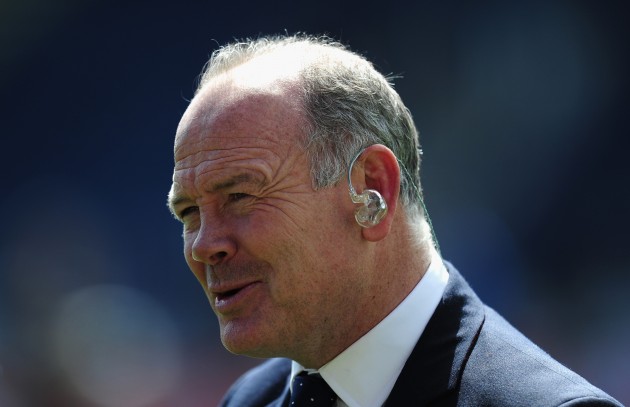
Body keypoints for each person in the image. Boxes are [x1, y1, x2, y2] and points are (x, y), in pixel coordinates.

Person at [167, 34, 622, 407]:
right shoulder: (249, 400)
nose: (204, 245)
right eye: (189, 212)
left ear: (372, 189)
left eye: (240, 196)